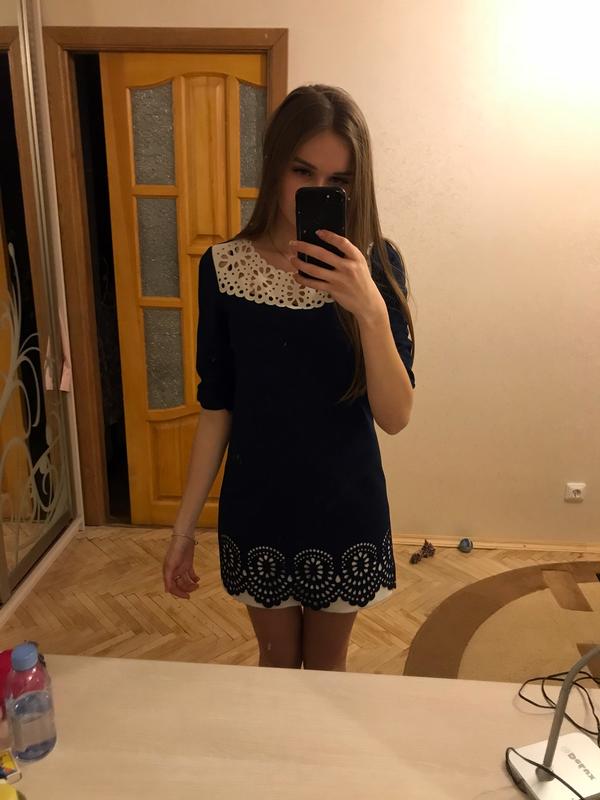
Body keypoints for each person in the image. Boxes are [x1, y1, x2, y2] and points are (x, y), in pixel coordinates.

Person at [162, 84, 416, 673]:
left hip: (345, 508)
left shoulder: (378, 266)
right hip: (259, 509)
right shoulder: (224, 268)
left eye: (338, 180)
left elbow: (396, 417)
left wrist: (370, 309)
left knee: (327, 673)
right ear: (274, 165)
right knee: (275, 669)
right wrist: (182, 530)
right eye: (302, 171)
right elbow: (217, 407)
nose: (316, 190)